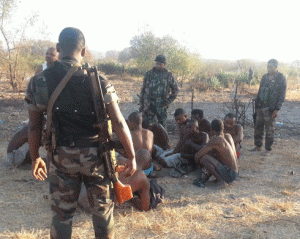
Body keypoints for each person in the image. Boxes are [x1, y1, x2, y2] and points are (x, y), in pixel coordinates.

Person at [25, 27, 136, 239]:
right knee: (102, 212)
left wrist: (34, 158)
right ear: (83, 51)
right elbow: (119, 122)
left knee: (62, 215)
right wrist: (131, 156)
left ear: (58, 49)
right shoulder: (100, 80)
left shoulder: (39, 81)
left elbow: (33, 127)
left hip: (61, 157)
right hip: (98, 158)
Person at [249, 59, 287, 156]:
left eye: (270, 67)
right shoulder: (264, 77)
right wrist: (257, 104)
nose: (268, 68)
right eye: (267, 66)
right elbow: (260, 90)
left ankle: (268, 149)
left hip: (271, 109)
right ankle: (258, 146)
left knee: (269, 130)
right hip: (261, 107)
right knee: (258, 127)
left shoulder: (281, 78)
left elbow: (282, 95)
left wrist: (277, 109)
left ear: (276, 67)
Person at [194, 119, 238, 188]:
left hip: (230, 174)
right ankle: (220, 179)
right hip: (235, 173)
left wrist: (199, 168)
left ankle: (221, 181)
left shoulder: (215, 140)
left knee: (204, 158)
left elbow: (197, 156)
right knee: (210, 156)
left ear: (212, 129)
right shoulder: (227, 136)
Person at [139, 55, 179, 127]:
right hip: (149, 104)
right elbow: (143, 89)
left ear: (164, 64)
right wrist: (141, 104)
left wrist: (168, 101)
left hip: (161, 105)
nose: (158, 65)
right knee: (147, 125)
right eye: (157, 63)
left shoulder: (168, 76)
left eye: (160, 64)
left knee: (162, 126)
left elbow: (175, 89)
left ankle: (163, 138)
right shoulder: (148, 74)